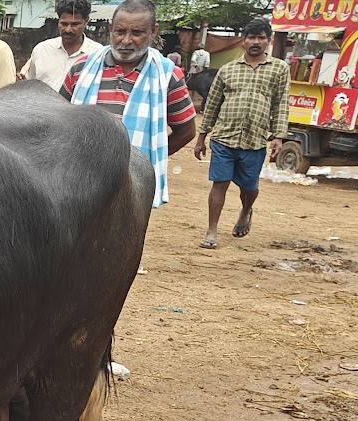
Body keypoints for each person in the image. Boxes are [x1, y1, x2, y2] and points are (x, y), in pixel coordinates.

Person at [61, 0, 195, 207]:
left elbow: (186, 131)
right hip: (79, 178)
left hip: (132, 185)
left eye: (137, 33)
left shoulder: (167, 75)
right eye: (119, 31)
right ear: (110, 30)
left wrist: (144, 162)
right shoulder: (82, 68)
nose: (125, 41)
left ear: (153, 31)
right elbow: (58, 117)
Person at [193, 18, 289, 249]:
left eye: (261, 38)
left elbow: (281, 103)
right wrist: (202, 137)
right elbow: (213, 103)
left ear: (269, 40)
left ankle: (246, 210)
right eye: (251, 37)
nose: (256, 42)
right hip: (224, 137)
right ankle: (212, 231)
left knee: (249, 187)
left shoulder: (279, 69)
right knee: (220, 183)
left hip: (255, 140)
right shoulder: (228, 70)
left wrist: (278, 135)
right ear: (243, 41)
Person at [19, 0, 101, 88]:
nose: (68, 30)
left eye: (75, 24)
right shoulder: (42, 50)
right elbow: (29, 85)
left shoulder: (98, 54)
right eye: (64, 24)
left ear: (86, 21)